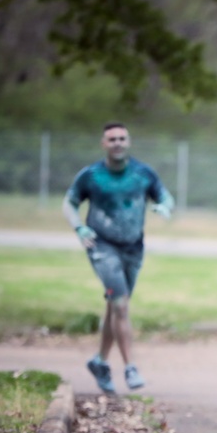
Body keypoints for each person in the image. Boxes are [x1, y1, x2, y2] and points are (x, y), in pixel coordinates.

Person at [63, 122, 174, 394]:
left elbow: (165, 196)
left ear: (129, 141)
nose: (117, 143)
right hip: (101, 246)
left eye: (122, 138)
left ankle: (100, 361)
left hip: (134, 248)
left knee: (116, 307)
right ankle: (130, 367)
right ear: (104, 143)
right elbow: (70, 203)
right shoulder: (91, 175)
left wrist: (163, 207)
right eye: (112, 139)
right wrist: (79, 226)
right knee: (121, 305)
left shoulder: (143, 173)